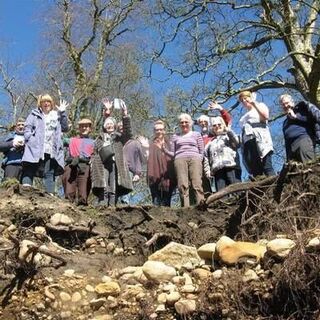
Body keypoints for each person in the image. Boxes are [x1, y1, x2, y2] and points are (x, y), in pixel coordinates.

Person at [21, 94, 69, 193]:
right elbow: (27, 128)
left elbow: (65, 128)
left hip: (51, 149)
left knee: (49, 171)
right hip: (35, 147)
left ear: (51, 104)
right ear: (40, 104)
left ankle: (49, 194)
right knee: (30, 167)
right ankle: (26, 189)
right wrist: (30, 139)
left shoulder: (57, 116)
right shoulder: (34, 115)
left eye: (48, 101)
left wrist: (63, 113)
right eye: (44, 101)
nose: (46, 103)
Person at [91, 102, 133, 206]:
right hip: (102, 163)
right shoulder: (99, 138)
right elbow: (94, 152)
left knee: (114, 184)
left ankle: (112, 205)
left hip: (115, 163)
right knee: (103, 183)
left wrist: (125, 115)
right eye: (107, 124)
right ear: (105, 126)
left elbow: (128, 132)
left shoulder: (119, 137)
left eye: (111, 124)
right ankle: (103, 203)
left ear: (114, 126)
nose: (109, 125)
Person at [164, 113, 204, 207]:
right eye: (182, 122)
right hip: (179, 160)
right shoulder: (175, 137)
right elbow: (173, 153)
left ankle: (201, 206)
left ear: (190, 123)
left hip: (195, 159)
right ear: (179, 124)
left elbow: (202, 150)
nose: (184, 124)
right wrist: (165, 150)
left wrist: (199, 159)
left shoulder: (196, 134)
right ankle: (185, 208)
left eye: (186, 122)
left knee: (197, 183)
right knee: (182, 184)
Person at [239, 91, 275, 178]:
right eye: (242, 100)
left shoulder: (260, 105)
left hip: (261, 139)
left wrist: (254, 103)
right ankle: (261, 189)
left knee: (267, 165)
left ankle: (275, 184)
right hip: (248, 142)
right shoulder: (243, 118)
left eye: (245, 98)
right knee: (256, 169)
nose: (244, 101)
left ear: (250, 97)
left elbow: (265, 116)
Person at [279, 94, 320, 163]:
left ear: (292, 102)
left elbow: (313, 120)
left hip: (303, 140)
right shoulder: (285, 122)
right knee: (294, 172)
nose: (285, 106)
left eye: (287, 103)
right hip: (291, 148)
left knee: (309, 167)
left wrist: (296, 117)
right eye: (283, 105)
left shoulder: (301, 109)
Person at [63, 118, 94, 205]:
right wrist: (66, 128)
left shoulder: (94, 142)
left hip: (85, 165)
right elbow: (59, 138)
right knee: (69, 188)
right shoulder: (71, 140)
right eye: (82, 126)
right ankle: (68, 205)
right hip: (72, 164)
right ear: (78, 129)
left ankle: (82, 206)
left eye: (86, 126)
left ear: (90, 129)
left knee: (84, 188)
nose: (84, 128)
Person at [204, 116, 240, 191]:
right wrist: (207, 171)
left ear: (223, 125)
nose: (217, 126)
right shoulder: (210, 143)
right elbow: (206, 158)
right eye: (214, 125)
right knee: (221, 194)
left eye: (219, 124)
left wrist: (228, 131)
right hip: (217, 170)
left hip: (231, 166)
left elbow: (237, 143)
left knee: (237, 190)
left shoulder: (228, 136)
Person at [147, 120, 176, 206]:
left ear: (164, 131)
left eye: (161, 129)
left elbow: (175, 156)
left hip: (169, 175)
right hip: (154, 175)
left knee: (167, 201)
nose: (159, 131)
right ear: (154, 131)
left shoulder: (170, 143)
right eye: (157, 130)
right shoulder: (150, 144)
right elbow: (145, 158)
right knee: (156, 201)